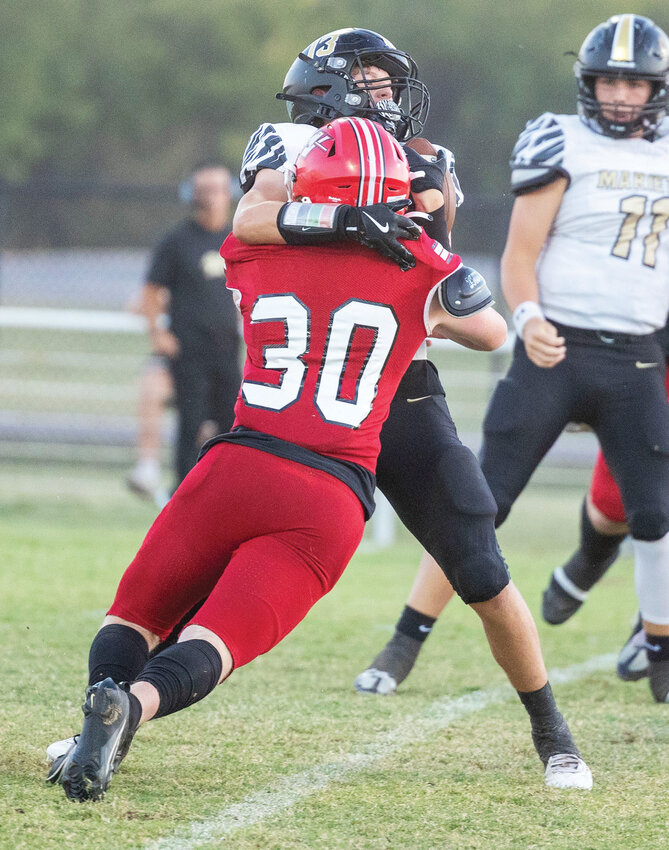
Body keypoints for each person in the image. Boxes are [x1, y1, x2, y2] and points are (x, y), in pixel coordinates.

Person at [46, 116, 514, 802]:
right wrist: (426, 237)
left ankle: (102, 712)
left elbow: (257, 216)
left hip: (235, 466)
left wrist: (332, 214)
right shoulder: (417, 266)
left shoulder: (249, 248)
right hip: (326, 491)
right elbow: (490, 329)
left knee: (135, 616)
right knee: (214, 641)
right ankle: (135, 709)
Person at [232, 28, 592, 789]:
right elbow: (251, 222)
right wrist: (340, 221)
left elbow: (433, 286)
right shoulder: (288, 143)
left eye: (388, 82)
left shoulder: (424, 160)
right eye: (368, 79)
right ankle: (120, 705)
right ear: (325, 84)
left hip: (395, 385)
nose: (386, 95)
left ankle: (552, 733)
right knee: (202, 551)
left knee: (480, 564)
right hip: (299, 389)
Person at [356, 14, 669, 705]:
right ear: (588, 83)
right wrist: (528, 320)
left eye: (634, 82)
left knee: (654, 513)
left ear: (656, 87)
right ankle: (406, 638)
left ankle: (657, 652)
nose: (619, 95)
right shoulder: (562, 140)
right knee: (478, 503)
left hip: (640, 354)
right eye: (608, 80)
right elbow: (520, 253)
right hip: (551, 346)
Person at [142, 162, 242, 490]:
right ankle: (182, 493)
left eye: (218, 190)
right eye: (205, 191)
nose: (212, 198)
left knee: (232, 423)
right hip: (189, 350)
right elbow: (152, 290)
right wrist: (158, 333)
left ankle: (224, 490)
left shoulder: (238, 238)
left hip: (228, 349)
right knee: (191, 422)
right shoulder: (178, 241)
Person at [125, 287, 173, 509]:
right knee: (151, 389)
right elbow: (135, 306)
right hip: (169, 360)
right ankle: (148, 468)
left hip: (208, 359)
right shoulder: (166, 279)